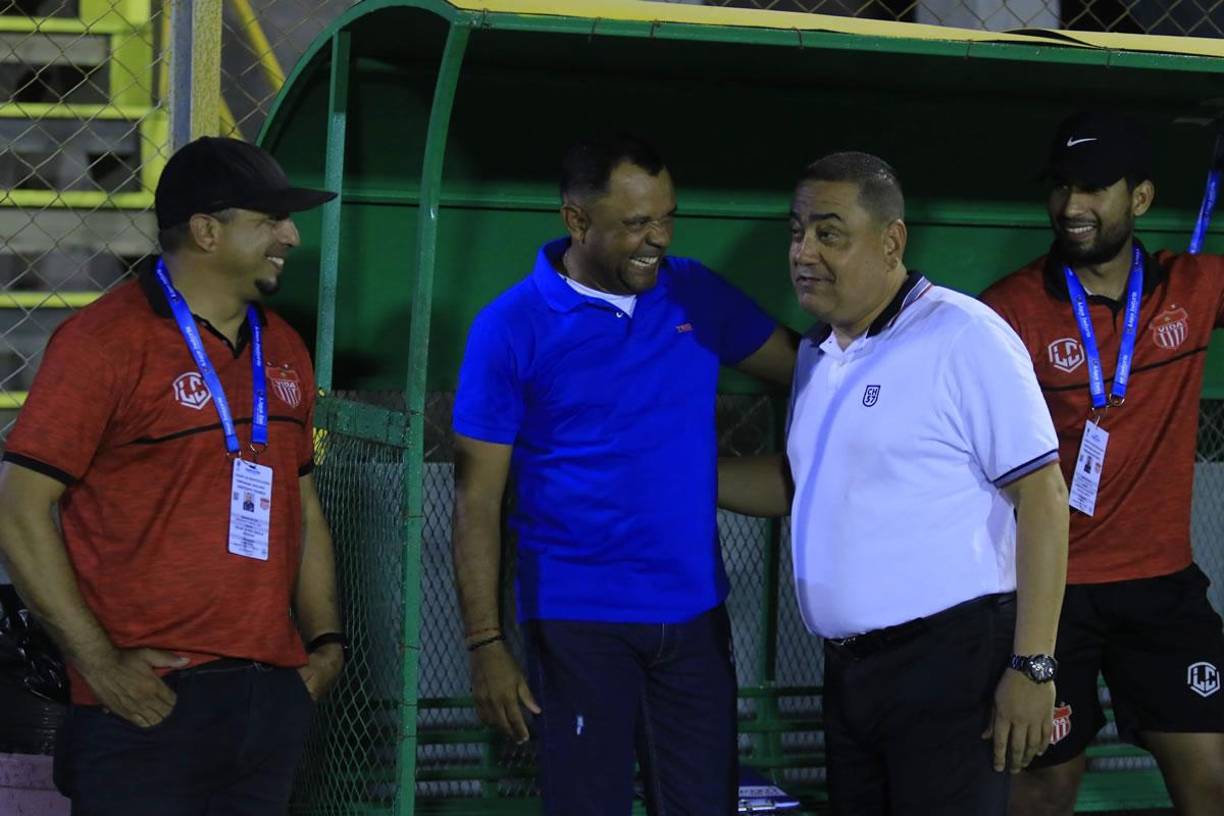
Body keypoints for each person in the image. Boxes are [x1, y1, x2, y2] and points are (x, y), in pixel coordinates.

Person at [450, 133, 797, 815]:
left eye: (667, 217)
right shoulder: (510, 327)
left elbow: (812, 372)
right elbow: (476, 499)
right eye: (636, 223)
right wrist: (485, 643)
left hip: (695, 616)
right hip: (578, 622)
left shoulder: (697, 294)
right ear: (576, 220)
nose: (658, 238)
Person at [0, 136, 347, 815]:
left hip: (268, 698)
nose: (292, 236)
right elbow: (19, 508)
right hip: (146, 703)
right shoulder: (104, 342)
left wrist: (326, 647)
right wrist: (100, 666)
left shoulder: (283, 346)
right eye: (270, 219)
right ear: (207, 230)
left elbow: (300, 504)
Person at [719, 151, 1069, 815]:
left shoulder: (964, 336)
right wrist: (681, 478)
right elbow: (803, 488)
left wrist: (1034, 665)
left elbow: (1044, 497)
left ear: (891, 240)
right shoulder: (819, 356)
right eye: (796, 232)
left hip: (949, 664)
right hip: (848, 674)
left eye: (829, 233)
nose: (804, 252)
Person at [980, 111, 1224, 816]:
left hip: (1162, 589)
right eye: (1060, 187)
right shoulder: (1008, 311)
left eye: (1091, 188)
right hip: (1051, 592)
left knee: (1211, 778)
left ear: (1139, 198)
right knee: (1042, 782)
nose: (1070, 206)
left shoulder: (1193, 287)